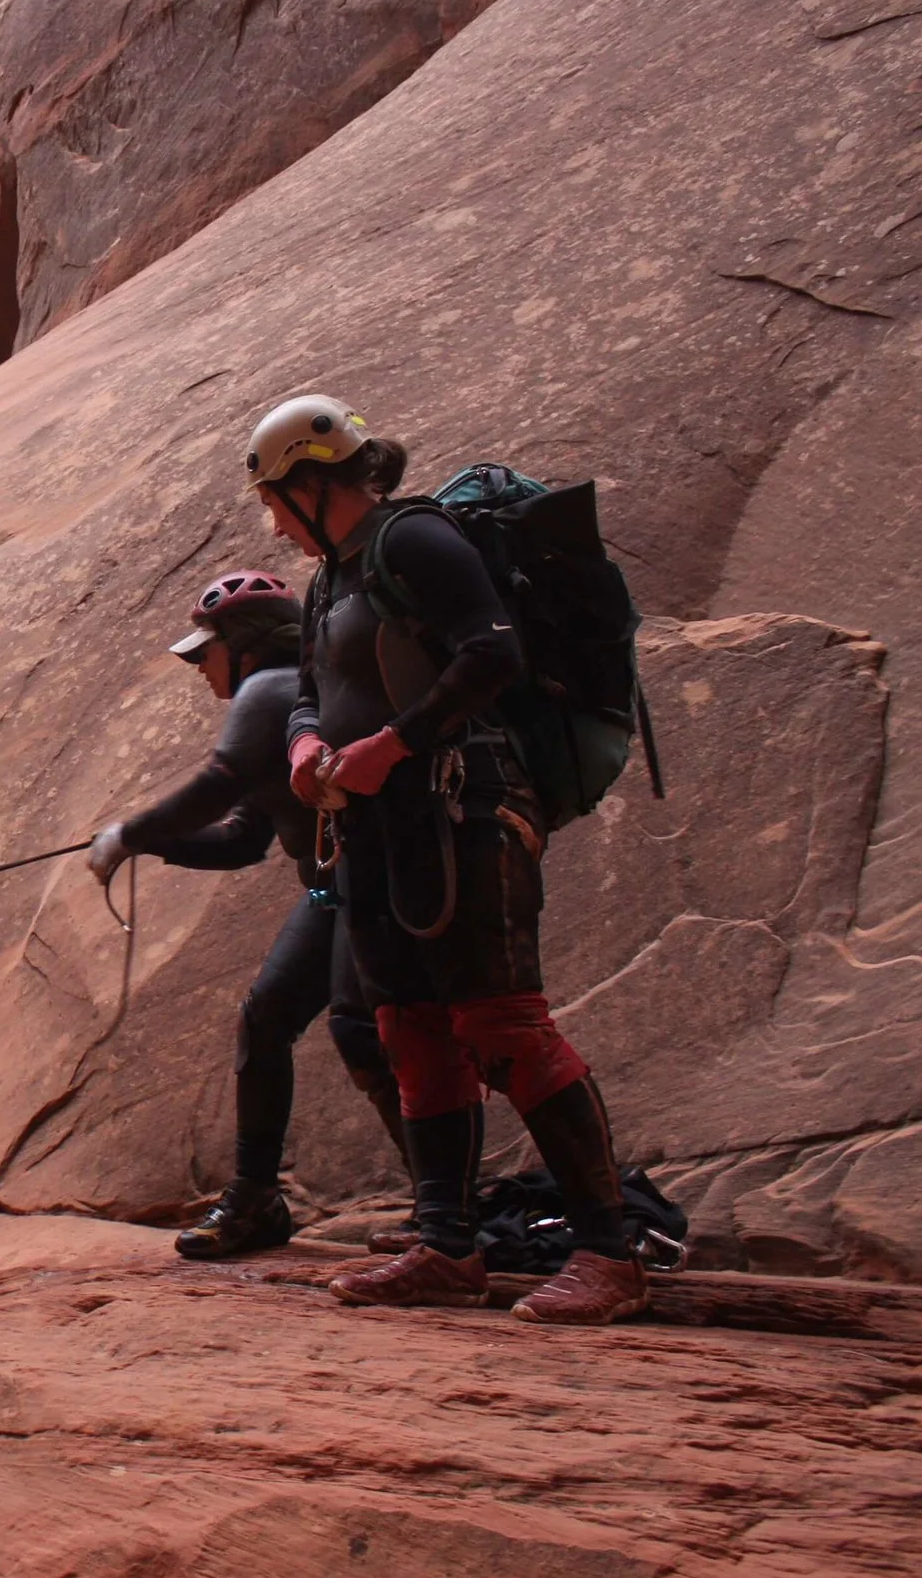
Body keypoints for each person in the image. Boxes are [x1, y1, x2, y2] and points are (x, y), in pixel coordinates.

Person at [246, 393, 647, 1325]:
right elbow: (309, 691)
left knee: (502, 1027)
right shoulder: (331, 578)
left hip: (464, 806)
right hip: (379, 826)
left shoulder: (414, 538)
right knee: (410, 1030)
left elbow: (490, 652)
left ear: (312, 483)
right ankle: (447, 1248)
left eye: (274, 502)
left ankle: (609, 1253)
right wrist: (306, 745)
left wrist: (393, 743)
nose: (274, 524)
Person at [88, 572, 412, 1258]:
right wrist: (149, 844)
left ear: (244, 643)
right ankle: (258, 1197)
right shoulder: (291, 694)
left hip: (371, 887)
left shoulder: (269, 689)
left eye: (205, 651)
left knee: (361, 1031)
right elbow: (242, 839)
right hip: (337, 890)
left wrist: (131, 834)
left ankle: (447, 1210)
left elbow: (218, 787)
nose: (200, 667)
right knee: (271, 1019)